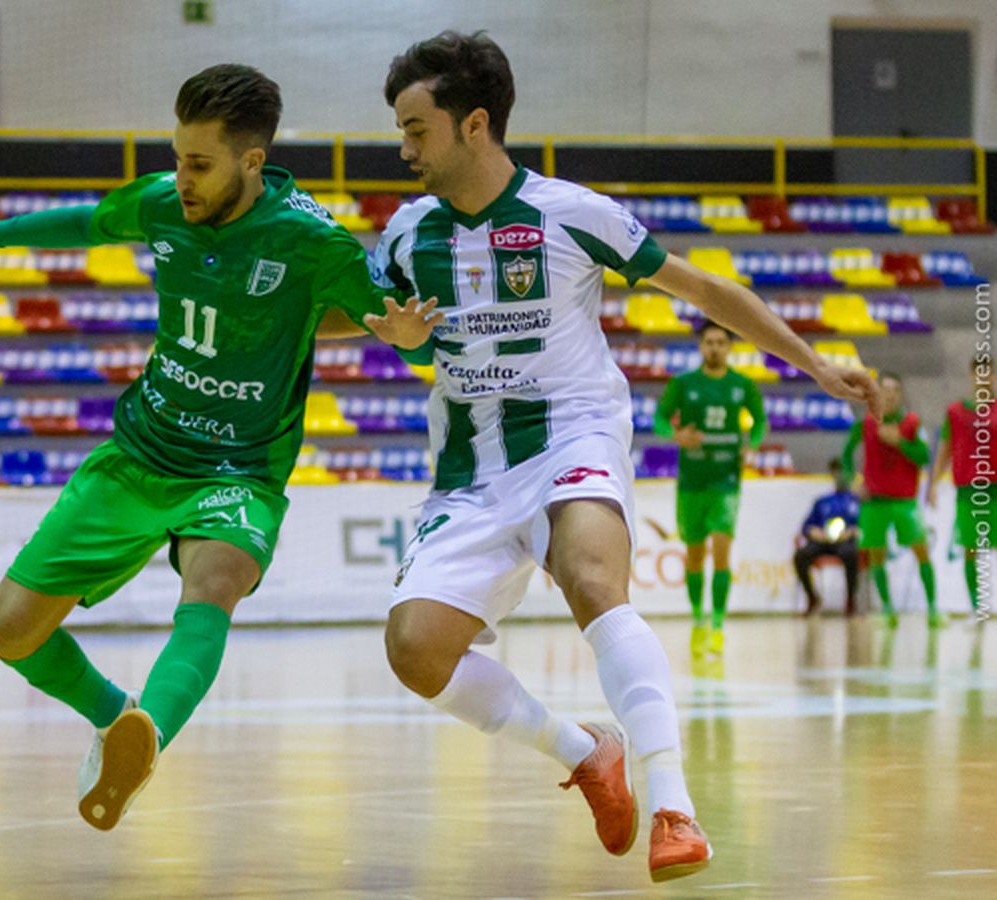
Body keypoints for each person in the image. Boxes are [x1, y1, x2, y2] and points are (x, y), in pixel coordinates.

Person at [372, 31, 877, 883]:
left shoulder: (573, 213)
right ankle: (584, 751)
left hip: (572, 436)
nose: (404, 149)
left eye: (416, 129)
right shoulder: (405, 235)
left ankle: (675, 806)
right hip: (469, 471)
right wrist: (392, 328)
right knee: (414, 650)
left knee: (593, 580)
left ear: (474, 125)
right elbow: (350, 314)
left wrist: (815, 362)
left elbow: (711, 292)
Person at [0, 64, 438, 832]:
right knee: (10, 629)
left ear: (252, 162)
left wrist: (412, 342)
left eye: (200, 163)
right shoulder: (163, 203)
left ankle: (146, 737)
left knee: (214, 581)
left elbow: (396, 330)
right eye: (178, 157)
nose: (181, 178)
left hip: (239, 470)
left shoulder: (311, 241)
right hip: (141, 452)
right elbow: (88, 222)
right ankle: (115, 719)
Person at [654, 321, 766, 655]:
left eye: (720, 342)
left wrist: (752, 444)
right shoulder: (683, 384)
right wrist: (676, 436)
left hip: (726, 482)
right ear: (701, 347)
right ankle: (698, 618)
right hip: (691, 481)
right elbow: (660, 419)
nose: (715, 347)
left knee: (721, 551)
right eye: (709, 342)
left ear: (729, 347)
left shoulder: (742, 385)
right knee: (693, 556)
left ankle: (717, 624)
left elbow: (759, 421)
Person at [841, 372, 938, 626]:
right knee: (876, 556)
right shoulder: (864, 424)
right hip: (874, 502)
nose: (891, 394)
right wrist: (852, 479)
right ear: (878, 393)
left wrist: (901, 443)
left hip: (905, 502)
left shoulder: (912, 423)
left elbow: (925, 456)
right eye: (886, 389)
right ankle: (887, 609)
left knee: (922, 551)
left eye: (895, 390)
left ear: (900, 394)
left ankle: (933, 609)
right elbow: (846, 455)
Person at [928, 354, 994, 615]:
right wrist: (932, 484)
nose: (982, 378)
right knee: (971, 548)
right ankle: (976, 608)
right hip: (968, 491)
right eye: (977, 373)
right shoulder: (955, 412)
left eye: (987, 373)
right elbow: (945, 451)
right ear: (970, 376)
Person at [794, 459, 862, 616]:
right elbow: (807, 526)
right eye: (836, 473)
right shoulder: (822, 501)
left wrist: (852, 532)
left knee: (851, 554)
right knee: (801, 556)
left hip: (844, 541)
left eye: (843, 472)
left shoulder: (856, 501)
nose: (840, 477)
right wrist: (814, 532)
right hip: (823, 541)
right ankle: (812, 597)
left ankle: (851, 601)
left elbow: (863, 526)